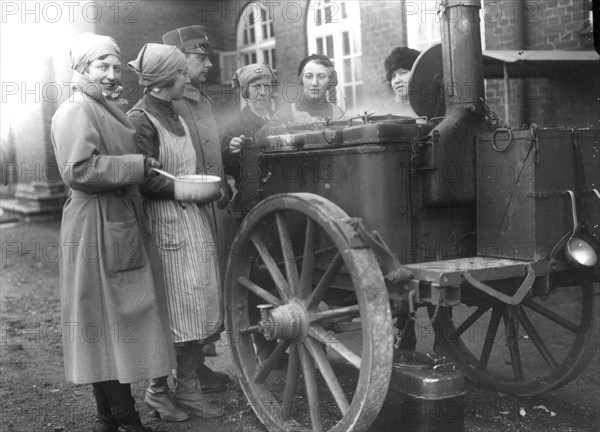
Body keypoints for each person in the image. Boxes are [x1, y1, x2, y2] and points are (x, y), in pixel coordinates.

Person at [50, 32, 174, 432]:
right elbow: (79, 170)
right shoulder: (75, 110)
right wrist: (136, 166)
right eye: (101, 65)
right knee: (104, 323)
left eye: (115, 66)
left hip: (115, 219)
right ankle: (127, 419)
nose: (110, 73)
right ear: (83, 67)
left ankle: (108, 417)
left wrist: (139, 165)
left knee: (107, 323)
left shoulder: (102, 105)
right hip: (95, 225)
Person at [127, 43, 226, 420]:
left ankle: (187, 388)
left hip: (191, 219)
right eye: (182, 73)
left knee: (198, 305)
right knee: (173, 310)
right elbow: (141, 177)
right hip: (163, 223)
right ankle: (158, 391)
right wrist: (182, 189)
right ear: (164, 79)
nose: (188, 77)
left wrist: (197, 188)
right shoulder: (140, 120)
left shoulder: (176, 112)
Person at [162, 25, 233, 361]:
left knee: (208, 283)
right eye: (200, 58)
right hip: (184, 206)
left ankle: (200, 358)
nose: (209, 65)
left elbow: (210, 149)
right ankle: (186, 368)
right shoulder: (170, 102)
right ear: (179, 61)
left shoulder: (203, 99)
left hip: (211, 204)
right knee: (188, 287)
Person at [221, 62, 277, 184]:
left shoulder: (280, 118)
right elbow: (227, 167)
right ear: (245, 92)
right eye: (256, 87)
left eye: (267, 86)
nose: (262, 92)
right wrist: (232, 150)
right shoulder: (234, 127)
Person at [274, 53, 344, 124]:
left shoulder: (338, 113)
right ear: (301, 80)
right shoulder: (287, 113)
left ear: (330, 80)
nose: (314, 83)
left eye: (321, 76)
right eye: (309, 76)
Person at [383, 46, 421, 117]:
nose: (396, 81)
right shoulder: (388, 111)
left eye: (402, 73)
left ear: (417, 73)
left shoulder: (434, 109)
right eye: (393, 76)